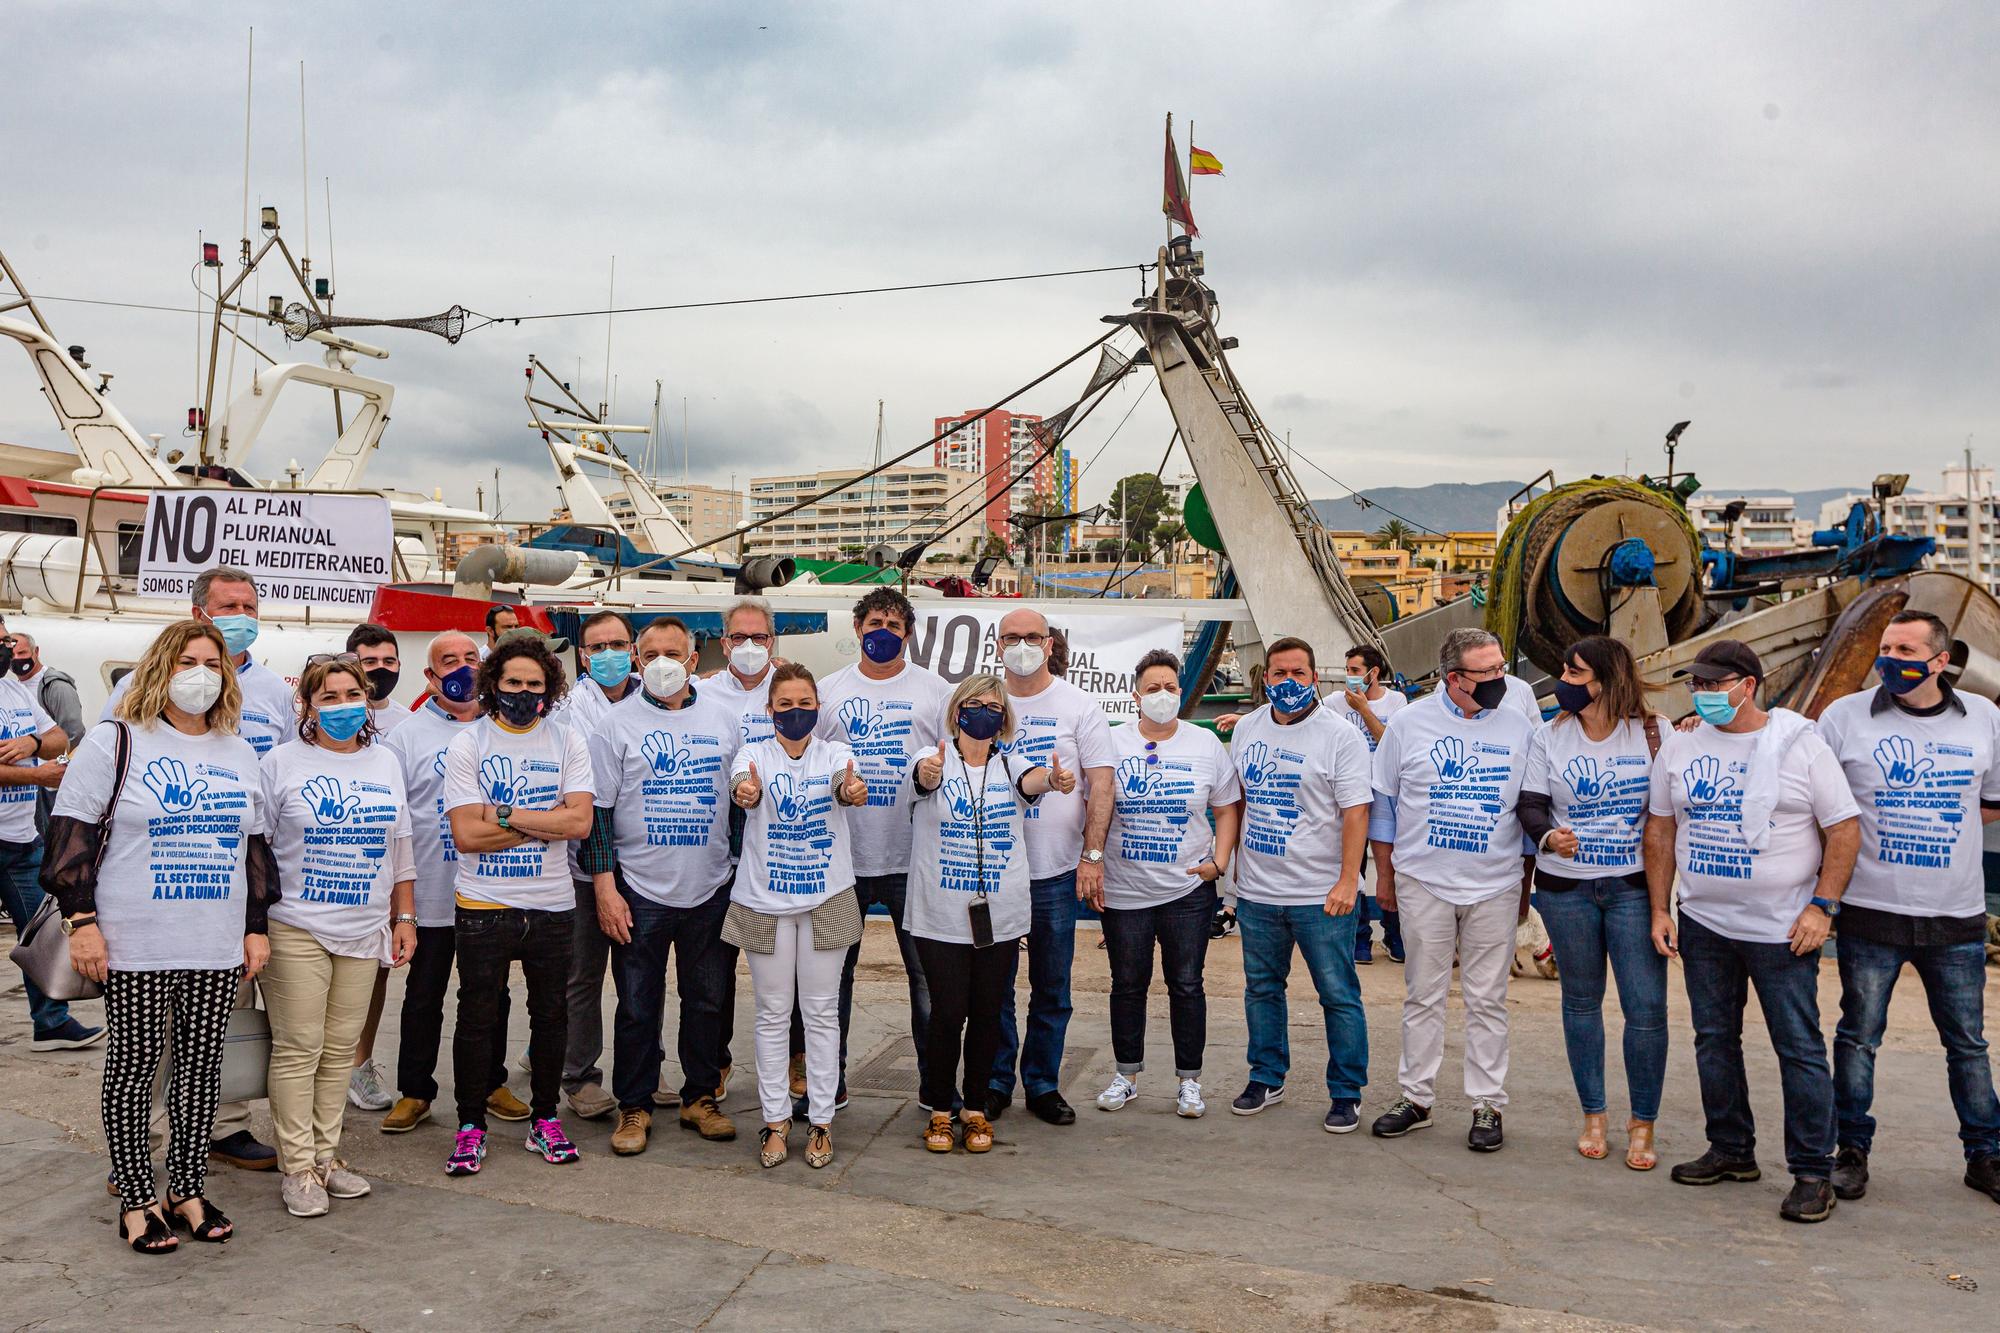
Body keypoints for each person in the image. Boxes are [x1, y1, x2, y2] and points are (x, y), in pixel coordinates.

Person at [47, 619, 277, 1252]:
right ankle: (136, 1195)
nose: (199, 673)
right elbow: (72, 834)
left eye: (211, 662)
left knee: (202, 1071)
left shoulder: (237, 749)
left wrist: (255, 928)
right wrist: (82, 922)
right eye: (185, 661)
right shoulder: (116, 740)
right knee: (134, 1068)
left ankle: (187, 1188)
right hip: (135, 938)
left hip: (215, 939)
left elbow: (252, 846)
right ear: (159, 668)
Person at [1645, 639, 1860, 1224]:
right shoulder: (1681, 746)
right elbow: (1661, 830)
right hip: (1706, 921)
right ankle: (1732, 1149)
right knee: (1714, 1039)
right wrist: (1662, 909)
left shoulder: (1800, 745)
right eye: (1698, 685)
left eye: (1716, 684)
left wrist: (1822, 908)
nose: (1704, 694)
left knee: (1798, 1048)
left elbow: (1843, 830)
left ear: (1748, 685)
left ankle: (1814, 1171)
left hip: (1782, 928)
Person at [1814, 611, 2000, 1207]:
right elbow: (1817, 804)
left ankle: (1985, 1155)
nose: (1889, 656)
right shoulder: (1843, 718)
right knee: (1859, 1037)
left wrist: (1932, 825)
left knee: (1967, 1044)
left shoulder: (1986, 719)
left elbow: (1989, 803)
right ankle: (1851, 1151)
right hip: (1871, 911)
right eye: (1886, 646)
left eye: (1905, 648)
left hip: (1957, 915)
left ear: (1940, 661)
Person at [259, 656, 417, 1217]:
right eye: (329, 697)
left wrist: (404, 918)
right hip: (297, 924)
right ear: (307, 704)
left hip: (365, 927)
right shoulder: (279, 762)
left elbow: (401, 846)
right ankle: (297, 1166)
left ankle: (328, 1157)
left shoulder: (385, 762)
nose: (344, 705)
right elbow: (258, 849)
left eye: (353, 694)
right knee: (300, 1048)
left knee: (338, 1051)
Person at [1368, 627, 1535, 1152]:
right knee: (1423, 994)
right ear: (1454, 678)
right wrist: (1387, 878)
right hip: (1424, 881)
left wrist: (1526, 883)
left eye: (1502, 668)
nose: (1499, 680)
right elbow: (1384, 805)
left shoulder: (1521, 724)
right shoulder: (1410, 723)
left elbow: (1531, 805)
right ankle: (1416, 1098)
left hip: (1496, 883)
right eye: (1487, 673)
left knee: (1489, 999)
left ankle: (1488, 1105)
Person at [439, 635, 597, 1176]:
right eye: (513, 683)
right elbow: (465, 835)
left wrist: (501, 814)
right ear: (493, 685)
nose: (523, 693)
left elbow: (579, 824)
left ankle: (546, 1119)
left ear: (549, 688)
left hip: (552, 905)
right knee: (478, 1016)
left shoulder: (568, 740)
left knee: (552, 1015)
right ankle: (469, 1124)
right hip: (483, 904)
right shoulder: (469, 743)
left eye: (534, 684)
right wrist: (538, 820)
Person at [584, 616, 742, 1155]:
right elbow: (598, 813)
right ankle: (634, 1106)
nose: (662, 664)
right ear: (636, 659)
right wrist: (606, 888)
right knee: (636, 1004)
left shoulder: (726, 719)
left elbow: (739, 805)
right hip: (638, 890)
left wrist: (739, 874)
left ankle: (701, 1098)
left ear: (695, 660)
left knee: (707, 1001)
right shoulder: (615, 724)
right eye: (649, 655)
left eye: (672, 653)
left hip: (711, 888)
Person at [1518, 635, 1670, 1170]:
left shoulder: (1654, 732)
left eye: (1574, 671)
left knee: (1646, 1010)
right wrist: (1548, 837)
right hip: (1566, 891)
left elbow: (1670, 810)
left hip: (1632, 888)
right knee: (1581, 1004)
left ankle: (1642, 1122)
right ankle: (1594, 1115)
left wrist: (1661, 905)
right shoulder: (1550, 735)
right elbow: (1531, 804)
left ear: (1605, 679)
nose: (1563, 679)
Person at [907, 674, 1069, 1153]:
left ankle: (975, 1109)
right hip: (939, 914)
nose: (983, 712)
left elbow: (1032, 780)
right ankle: (940, 1108)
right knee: (947, 1012)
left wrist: (1054, 780)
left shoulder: (1010, 762)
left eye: (993, 706)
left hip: (1001, 913)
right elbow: (921, 780)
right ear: (957, 711)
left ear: (1004, 718)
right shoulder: (928, 755)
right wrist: (932, 773)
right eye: (974, 704)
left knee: (987, 1013)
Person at [807, 588, 953, 1115]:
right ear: (857, 626)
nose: (883, 631)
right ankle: (830, 1082)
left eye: (894, 623)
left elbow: (954, 766)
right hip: (843, 860)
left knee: (927, 979)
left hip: (913, 859)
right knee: (833, 981)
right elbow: (807, 760)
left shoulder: (936, 692)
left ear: (908, 633)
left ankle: (934, 1085)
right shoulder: (829, 691)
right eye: (874, 621)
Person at [377, 633, 528, 1133]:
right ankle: (415, 1091)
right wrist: (403, 904)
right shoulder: (407, 736)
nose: (463, 668)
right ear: (430, 677)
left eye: (471, 659)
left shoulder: (505, 729)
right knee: (424, 995)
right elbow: (394, 823)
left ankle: (490, 1083)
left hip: (491, 891)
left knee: (492, 994)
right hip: (432, 893)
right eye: (450, 662)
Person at [1227, 636, 1374, 1132]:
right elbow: (1241, 801)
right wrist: (1234, 877)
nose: (1288, 683)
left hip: (1321, 896)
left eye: (1299, 674)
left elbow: (1357, 812)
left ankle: (1346, 1091)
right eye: (1279, 674)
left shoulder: (1340, 736)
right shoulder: (1247, 728)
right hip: (1259, 892)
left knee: (1337, 993)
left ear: (1315, 679)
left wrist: (1348, 881)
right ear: (1265, 678)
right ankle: (1267, 1076)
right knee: (1262, 989)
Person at [1091, 649, 1243, 1119]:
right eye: (1152, 688)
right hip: (1125, 890)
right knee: (1127, 984)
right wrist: (1091, 862)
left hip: (1188, 892)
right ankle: (1126, 1075)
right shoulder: (1110, 743)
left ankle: (1189, 1081)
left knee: (1187, 984)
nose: (1162, 695)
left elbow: (1226, 806)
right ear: (1135, 695)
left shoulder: (1204, 744)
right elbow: (1094, 804)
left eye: (1170, 688)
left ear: (1182, 692)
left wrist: (1219, 862)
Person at [727, 663, 868, 1170]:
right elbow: (744, 784)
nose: (795, 712)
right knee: (770, 1014)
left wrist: (852, 791)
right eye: (784, 704)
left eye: (804, 703)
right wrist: (746, 791)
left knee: (822, 1014)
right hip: (764, 904)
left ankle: (822, 1122)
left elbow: (848, 785)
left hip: (827, 900)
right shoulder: (753, 753)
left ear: (818, 707)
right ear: (770, 710)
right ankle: (775, 1121)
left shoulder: (836, 753)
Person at [986, 608, 1114, 1126]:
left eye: (1031, 637)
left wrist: (1092, 856)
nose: (1022, 645)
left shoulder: (1079, 705)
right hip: (991, 871)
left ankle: (1041, 1083)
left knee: (1052, 987)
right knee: (994, 988)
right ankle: (994, 1082)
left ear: (1049, 642)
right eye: (1011, 637)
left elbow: (1101, 784)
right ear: (998, 647)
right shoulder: (983, 702)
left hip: (1057, 873)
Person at [547, 609, 643, 1122]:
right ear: (584, 656)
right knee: (583, 976)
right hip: (581, 868)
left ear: (633, 649)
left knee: (640, 976)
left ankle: (643, 1068)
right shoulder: (567, 710)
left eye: (618, 644)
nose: (609, 654)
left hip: (644, 863)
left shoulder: (657, 696)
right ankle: (579, 1075)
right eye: (598, 646)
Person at [103, 566, 297, 761]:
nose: (242, 615)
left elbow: (288, 767)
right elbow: (108, 752)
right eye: (229, 606)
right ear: (198, 614)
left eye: (249, 608)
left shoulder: (278, 691)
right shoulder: (139, 684)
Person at [0, 634, 89, 1050]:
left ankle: (51, 1022)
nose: (6, 649)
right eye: (0, 641)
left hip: (20, 837)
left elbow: (59, 738)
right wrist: (37, 773)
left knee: (43, 931)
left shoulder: (13, 688)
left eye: (7, 640)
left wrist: (32, 744)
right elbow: (47, 764)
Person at [340, 623, 407, 1117]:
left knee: (375, 974)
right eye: (369, 663)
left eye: (389, 662)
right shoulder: (318, 717)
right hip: (321, 874)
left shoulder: (408, 722)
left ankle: (359, 1064)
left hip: (379, 875)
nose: (380, 671)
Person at [1327, 644, 1409, 965]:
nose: (1350, 678)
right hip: (1351, 797)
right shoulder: (1334, 703)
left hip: (1387, 797)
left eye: (1356, 671)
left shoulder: (1397, 702)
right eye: (1347, 670)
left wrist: (1363, 709)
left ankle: (1393, 932)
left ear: (1374, 673)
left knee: (1392, 868)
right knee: (1353, 866)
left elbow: (1393, 744)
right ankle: (1360, 936)